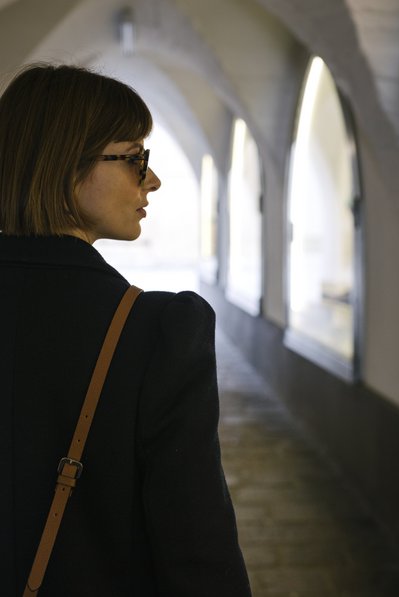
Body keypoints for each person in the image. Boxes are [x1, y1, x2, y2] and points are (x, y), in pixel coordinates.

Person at [0, 63, 252, 597]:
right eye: (136, 158)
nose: (151, 180)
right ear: (67, 163)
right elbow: (197, 551)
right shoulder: (155, 332)